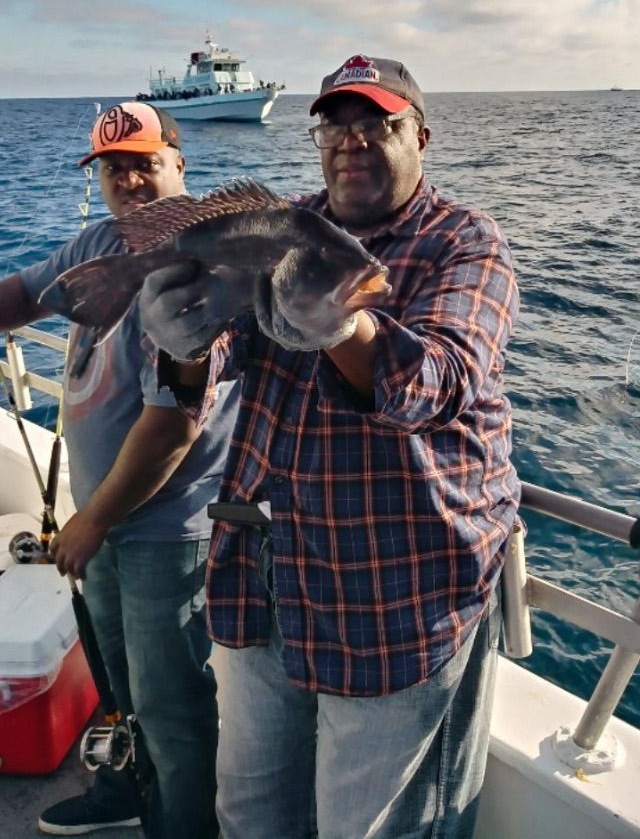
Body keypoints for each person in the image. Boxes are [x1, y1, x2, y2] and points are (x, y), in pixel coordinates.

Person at [139, 55, 521, 839]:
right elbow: (209, 368)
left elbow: (439, 384)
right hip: (262, 574)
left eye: (377, 122)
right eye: (335, 124)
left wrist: (348, 329)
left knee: (370, 827)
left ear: (421, 134)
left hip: (399, 592)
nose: (352, 140)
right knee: (248, 815)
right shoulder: (284, 224)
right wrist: (180, 341)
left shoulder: (466, 243)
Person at [0, 102, 239, 838]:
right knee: (120, 684)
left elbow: (172, 423)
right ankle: (127, 791)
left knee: (173, 708)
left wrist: (93, 520)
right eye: (112, 167)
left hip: (166, 528)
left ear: (179, 164)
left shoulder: (203, 264)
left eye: (144, 162)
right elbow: (19, 297)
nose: (129, 180)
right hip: (100, 516)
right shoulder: (97, 243)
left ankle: (180, 827)